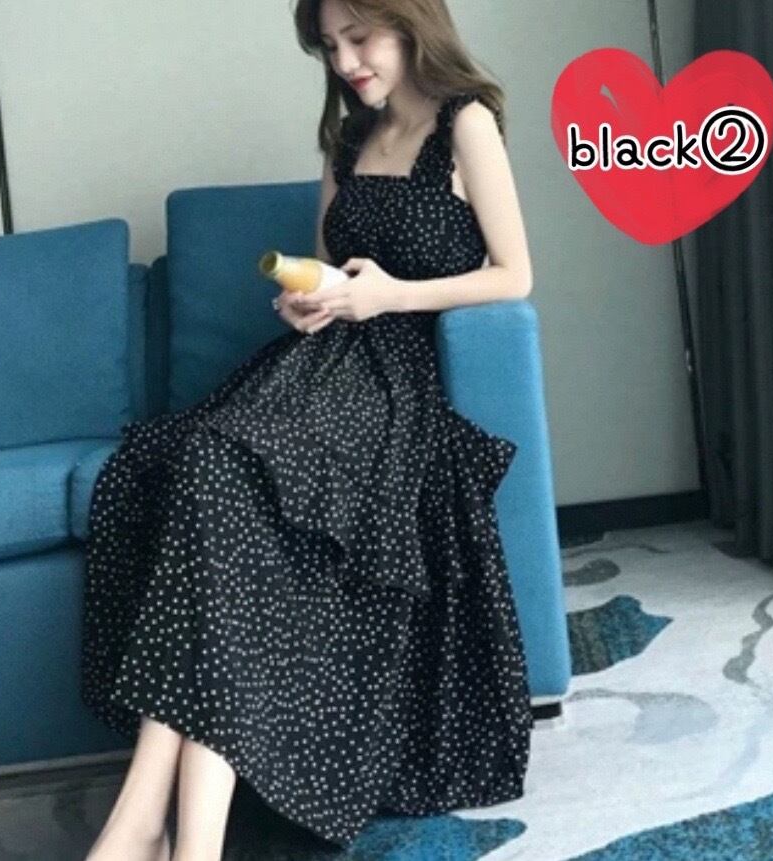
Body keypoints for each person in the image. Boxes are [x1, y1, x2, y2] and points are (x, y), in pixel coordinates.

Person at [82, 0, 535, 858]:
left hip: (392, 384)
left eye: (359, 38)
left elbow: (513, 274)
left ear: (410, 22)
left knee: (219, 463)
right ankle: (170, 834)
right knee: (198, 466)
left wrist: (389, 295)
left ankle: (146, 826)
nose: (345, 62)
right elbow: (330, 267)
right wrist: (311, 300)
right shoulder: (346, 140)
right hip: (311, 369)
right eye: (329, 46)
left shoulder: (465, 123)